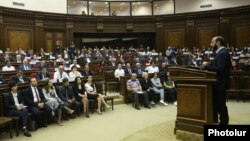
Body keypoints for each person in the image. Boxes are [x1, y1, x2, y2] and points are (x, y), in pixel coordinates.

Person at [203, 36, 231, 125]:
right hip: (218, 83)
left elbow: (220, 69)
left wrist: (207, 66)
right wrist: (209, 64)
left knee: (220, 106)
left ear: (218, 42)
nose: (211, 44)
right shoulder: (221, 53)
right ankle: (215, 122)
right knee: (217, 105)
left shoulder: (222, 53)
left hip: (220, 84)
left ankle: (224, 124)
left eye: (212, 42)